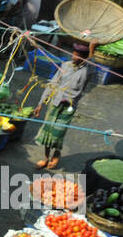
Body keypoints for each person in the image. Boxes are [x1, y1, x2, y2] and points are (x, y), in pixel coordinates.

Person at [34, 42, 96, 170]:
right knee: (48, 131)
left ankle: (56, 154)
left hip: (69, 106)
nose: (74, 57)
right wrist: (40, 103)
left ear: (84, 58)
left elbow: (91, 62)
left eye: (78, 55)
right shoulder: (65, 65)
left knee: (58, 132)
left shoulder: (87, 70)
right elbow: (52, 83)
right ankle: (46, 157)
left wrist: (92, 48)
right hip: (55, 102)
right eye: (74, 54)